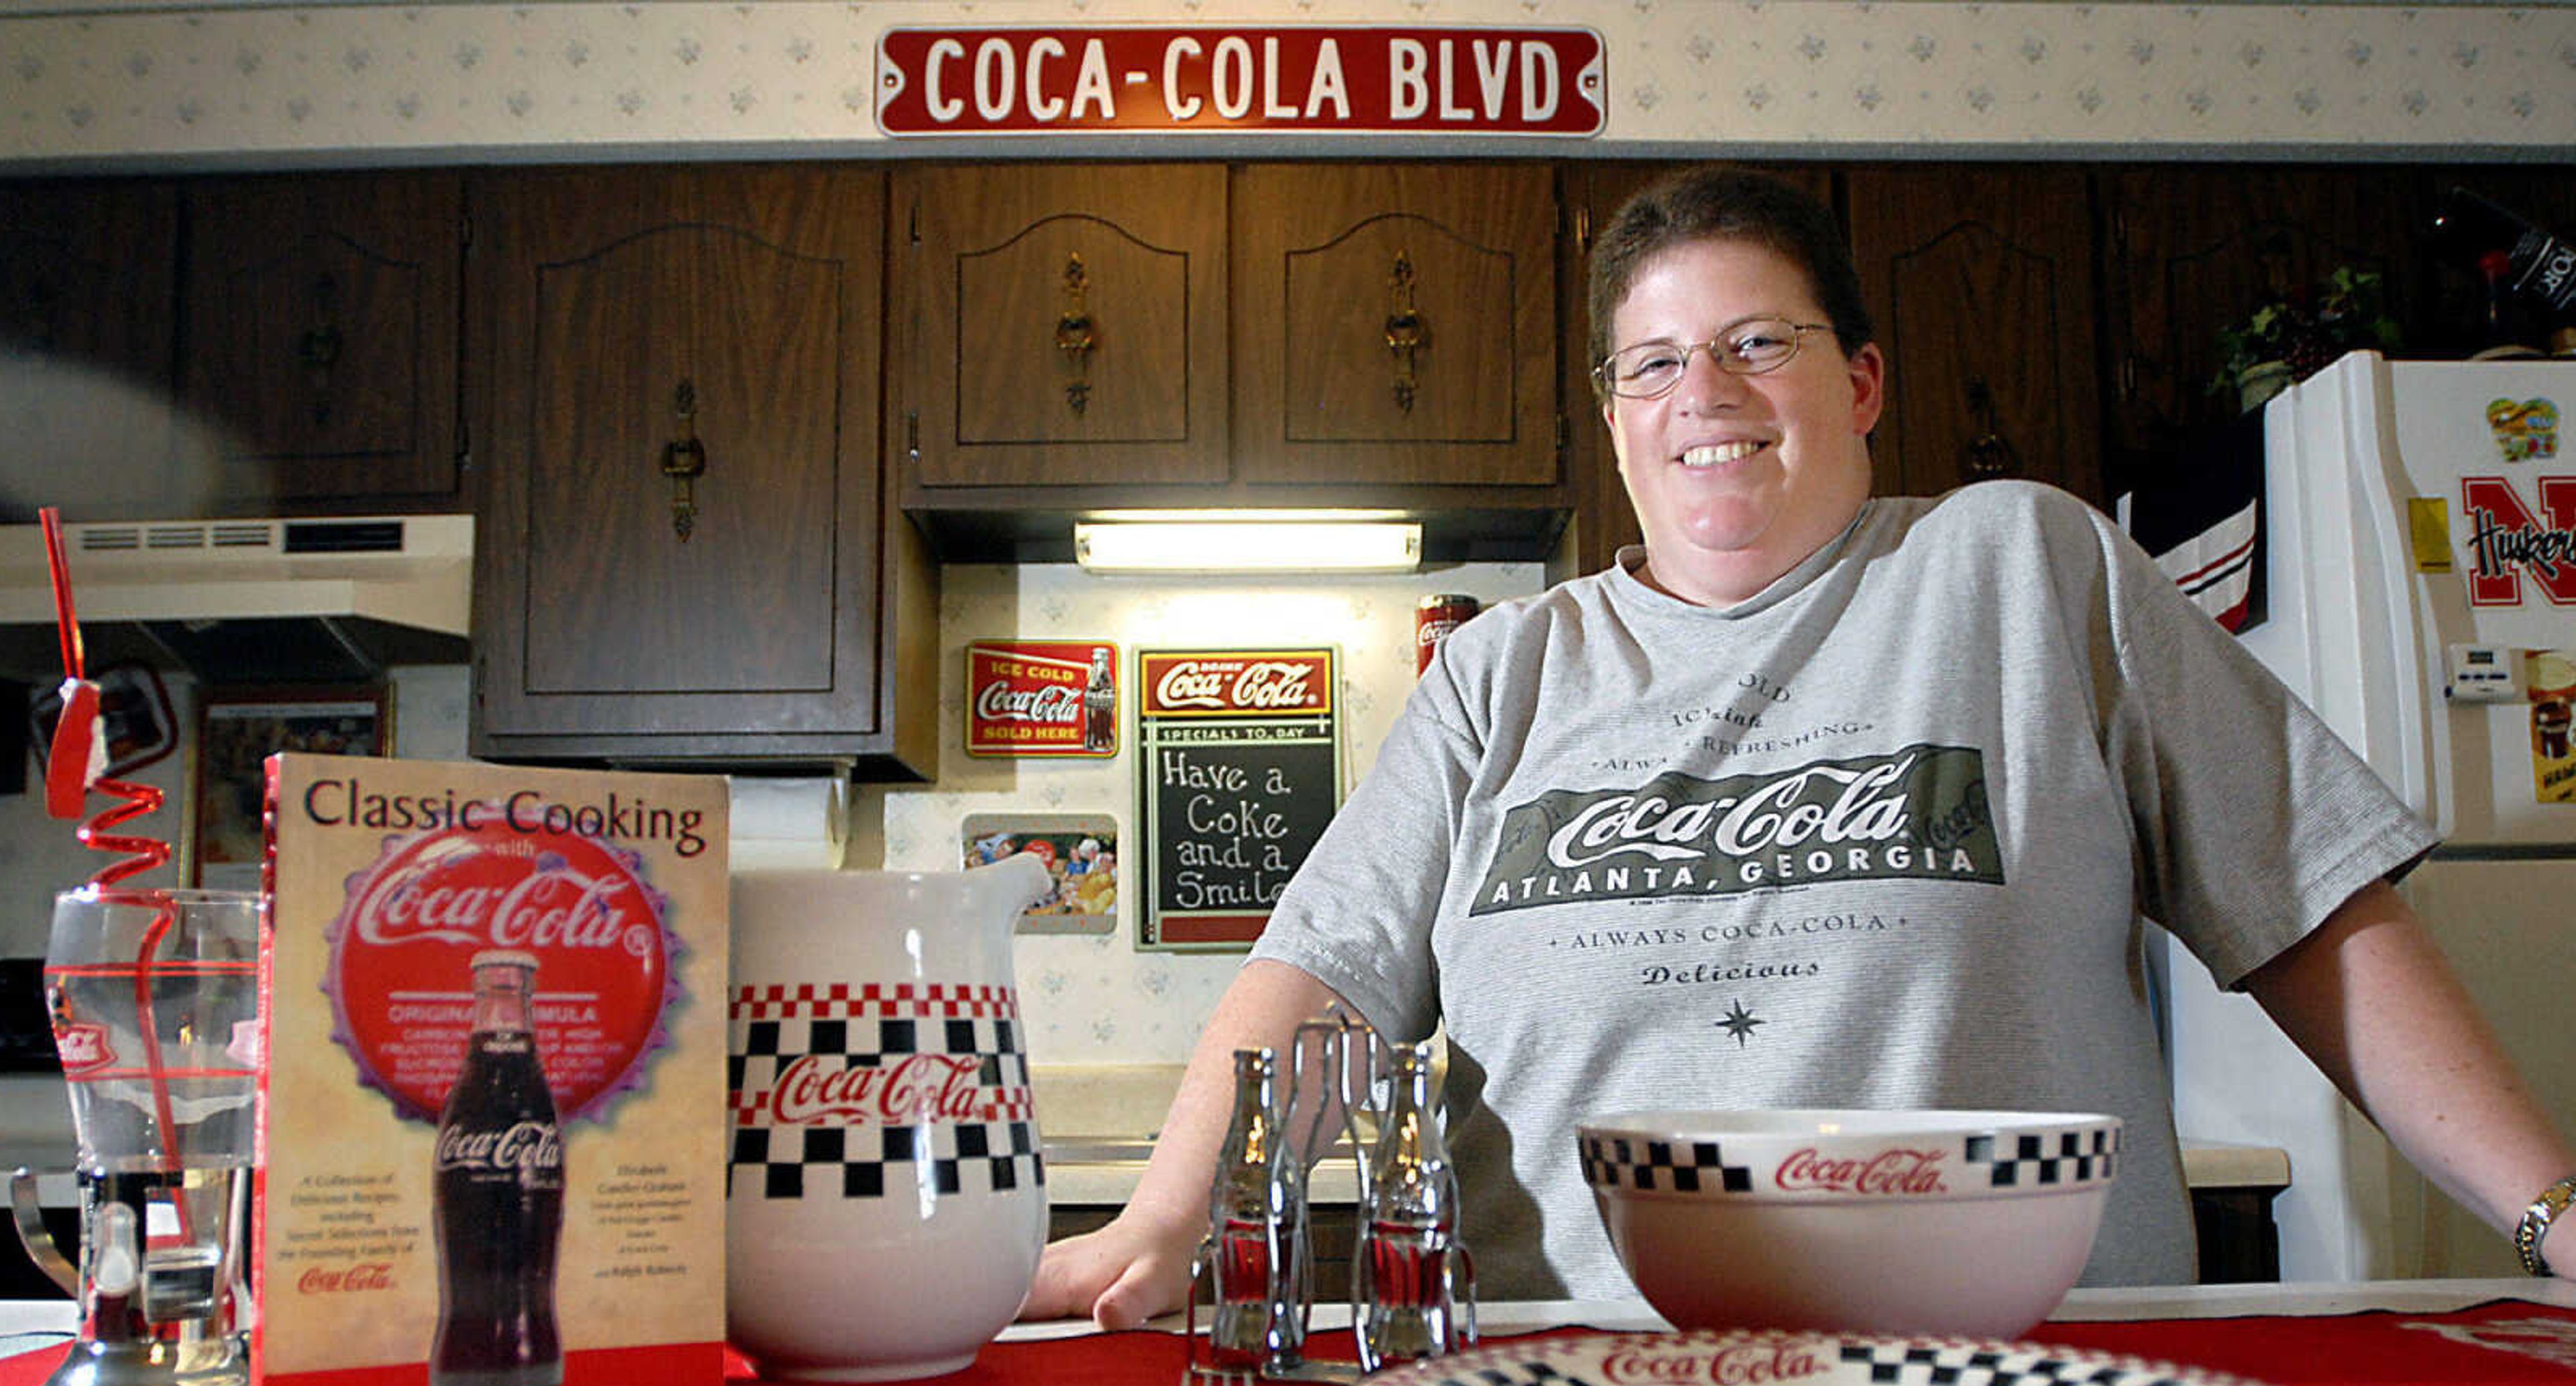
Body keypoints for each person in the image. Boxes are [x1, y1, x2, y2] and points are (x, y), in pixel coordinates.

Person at [1023, 165, 2576, 1325]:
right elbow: (1327, 979)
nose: (1705, 390)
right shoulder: (1500, 673)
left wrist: (2555, 1219)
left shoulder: (2027, 572)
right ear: (1618, 416)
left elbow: (2312, 911)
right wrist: (1165, 1218)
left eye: (1760, 341)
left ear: (1863, 380)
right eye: (1654, 362)